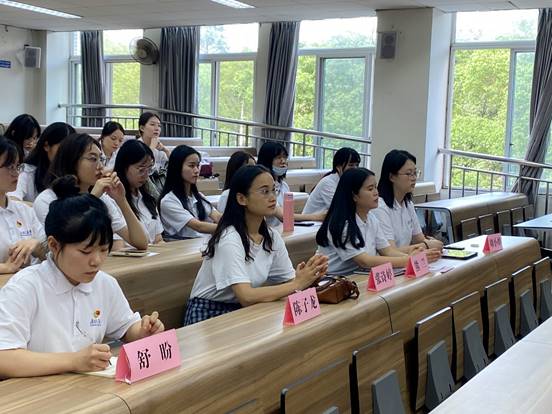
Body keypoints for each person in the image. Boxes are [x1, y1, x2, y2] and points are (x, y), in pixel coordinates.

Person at [0, 180, 164, 377]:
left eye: (103, 250)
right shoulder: (25, 287)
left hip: (86, 387)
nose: (96, 261)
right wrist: (73, 361)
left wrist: (143, 331)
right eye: (85, 251)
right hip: (36, 390)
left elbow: (126, 327)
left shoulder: (104, 283)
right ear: (54, 245)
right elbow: (4, 358)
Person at [184, 165, 328, 325]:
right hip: (209, 312)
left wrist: (310, 277)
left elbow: (288, 282)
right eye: (264, 191)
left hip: (242, 309)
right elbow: (246, 296)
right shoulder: (230, 238)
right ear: (241, 199)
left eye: (274, 190)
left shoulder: (271, 236)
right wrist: (297, 284)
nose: (273, 198)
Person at [33, 133, 148, 251]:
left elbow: (141, 242)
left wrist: (121, 200)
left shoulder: (102, 198)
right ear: (72, 161)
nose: (100, 166)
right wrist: (92, 199)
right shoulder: (47, 199)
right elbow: (67, 245)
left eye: (101, 159)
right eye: (93, 159)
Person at [316, 168, 441, 275]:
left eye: (376, 187)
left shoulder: (371, 218)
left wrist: (413, 257)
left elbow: (387, 251)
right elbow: (364, 261)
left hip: (359, 275)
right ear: (354, 195)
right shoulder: (342, 224)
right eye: (370, 189)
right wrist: (408, 260)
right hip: (333, 280)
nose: (376, 193)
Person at [373, 149, 443, 252]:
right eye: (409, 173)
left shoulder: (408, 203)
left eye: (415, 173)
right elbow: (390, 251)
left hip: (404, 259)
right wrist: (426, 245)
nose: (414, 178)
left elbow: (418, 238)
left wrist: (430, 243)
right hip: (390, 261)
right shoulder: (380, 207)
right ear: (392, 177)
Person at [0, 137, 45, 274]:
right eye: (10, 167)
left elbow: (52, 254)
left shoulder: (24, 211)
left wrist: (36, 246)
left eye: (17, 166)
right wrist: (5, 268)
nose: (16, 173)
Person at [257, 142, 325, 226]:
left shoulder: (284, 186)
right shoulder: (263, 187)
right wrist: (317, 216)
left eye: (284, 157)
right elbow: (283, 216)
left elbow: (288, 214)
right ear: (267, 160)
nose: (283, 161)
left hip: (283, 229)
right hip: (268, 230)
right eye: (278, 157)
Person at [159, 145, 221, 239]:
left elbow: (217, 217)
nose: (196, 170)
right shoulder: (168, 201)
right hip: (185, 246)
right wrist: (229, 228)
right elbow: (198, 226)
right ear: (177, 167)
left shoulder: (198, 196)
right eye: (191, 166)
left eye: (198, 165)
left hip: (204, 243)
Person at [8, 122, 75, 202]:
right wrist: (39, 206)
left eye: (72, 150)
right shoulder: (27, 171)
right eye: (62, 148)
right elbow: (12, 200)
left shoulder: (76, 173)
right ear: (46, 146)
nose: (67, 154)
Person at [114, 140, 164, 244]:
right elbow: (118, 247)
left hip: (153, 253)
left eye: (149, 170)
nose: (146, 176)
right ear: (124, 167)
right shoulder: (113, 200)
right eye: (141, 170)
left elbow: (158, 239)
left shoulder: (148, 199)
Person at [302, 147, 360, 214]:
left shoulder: (349, 182)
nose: (355, 169)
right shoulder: (328, 183)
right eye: (351, 165)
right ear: (338, 167)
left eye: (357, 165)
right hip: (311, 220)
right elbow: (340, 209)